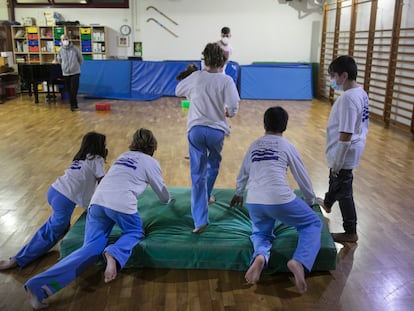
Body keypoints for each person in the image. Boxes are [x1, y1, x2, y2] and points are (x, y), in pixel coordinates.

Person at [24, 128, 173, 309]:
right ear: (153, 147)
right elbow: (162, 194)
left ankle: (38, 286)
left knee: (90, 249)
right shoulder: (151, 162)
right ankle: (114, 252)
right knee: (135, 231)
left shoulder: (123, 156)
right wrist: (169, 199)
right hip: (121, 204)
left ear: (133, 144)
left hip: (97, 203)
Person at [230, 106, 322, 294]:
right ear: (285, 127)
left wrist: (239, 192)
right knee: (312, 223)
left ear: (264, 124)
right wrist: (310, 200)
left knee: (261, 234)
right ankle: (299, 261)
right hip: (280, 200)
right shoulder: (287, 146)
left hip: (254, 200)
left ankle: (260, 257)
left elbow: (243, 173)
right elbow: (301, 175)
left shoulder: (254, 145)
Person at [0, 132, 107, 271]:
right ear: (99, 146)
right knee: (50, 232)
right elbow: (102, 182)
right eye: (104, 144)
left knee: (59, 226)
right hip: (64, 198)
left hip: (55, 191)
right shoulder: (97, 159)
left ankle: (55, 237)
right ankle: (16, 260)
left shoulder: (81, 158)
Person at [175, 42, 239, 233]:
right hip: (216, 131)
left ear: (205, 59)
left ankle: (200, 220)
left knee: (197, 175)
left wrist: (194, 94)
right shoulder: (226, 80)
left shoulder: (196, 76)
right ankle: (208, 194)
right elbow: (234, 108)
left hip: (195, 130)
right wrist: (227, 111)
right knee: (213, 165)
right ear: (223, 61)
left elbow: (178, 91)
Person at [317, 55, 369, 243]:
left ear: (344, 76)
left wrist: (338, 162)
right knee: (336, 179)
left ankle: (350, 230)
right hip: (353, 147)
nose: (333, 80)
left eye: (334, 76)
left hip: (346, 150)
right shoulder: (360, 92)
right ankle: (328, 203)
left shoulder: (348, 99)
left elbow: (346, 134)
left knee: (344, 188)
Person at [57, 34, 84, 112]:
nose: (65, 40)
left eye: (66, 39)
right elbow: (59, 60)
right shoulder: (60, 50)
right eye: (63, 39)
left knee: (74, 89)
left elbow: (80, 59)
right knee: (69, 90)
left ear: (69, 39)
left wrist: (76, 66)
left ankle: (72, 105)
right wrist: (64, 66)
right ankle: (74, 103)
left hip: (75, 72)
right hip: (66, 73)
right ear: (61, 41)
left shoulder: (75, 48)